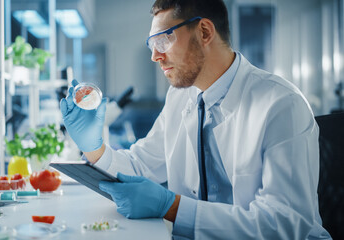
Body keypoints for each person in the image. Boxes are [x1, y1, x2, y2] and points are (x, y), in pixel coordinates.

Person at [60, 0, 331, 239]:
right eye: (151, 45)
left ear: (204, 32)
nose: (155, 56)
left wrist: (172, 207)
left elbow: (283, 225)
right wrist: (94, 147)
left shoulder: (282, 104)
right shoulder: (181, 97)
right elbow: (141, 167)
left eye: (163, 40)